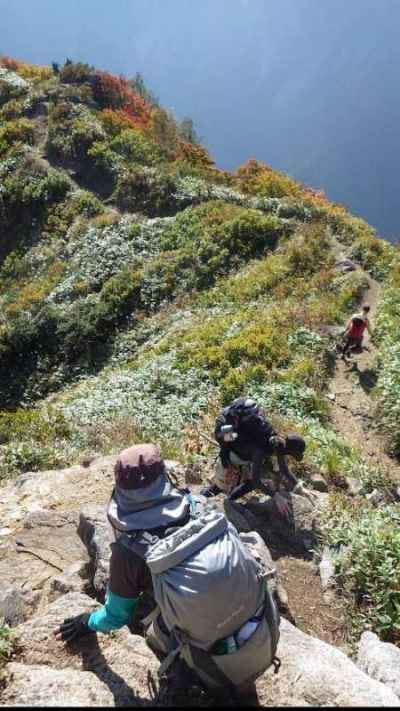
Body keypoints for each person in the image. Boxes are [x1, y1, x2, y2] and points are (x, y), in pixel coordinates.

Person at [55, 443, 280, 695]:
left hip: (209, 659)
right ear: (164, 476)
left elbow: (115, 617)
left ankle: (187, 676)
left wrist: (87, 622)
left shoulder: (129, 551)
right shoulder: (199, 506)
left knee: (153, 633)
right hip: (260, 630)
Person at [200, 397, 313, 515]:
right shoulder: (262, 450)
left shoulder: (278, 442)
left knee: (251, 482)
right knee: (221, 486)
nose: (287, 457)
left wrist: (300, 487)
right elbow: (256, 480)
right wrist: (276, 496)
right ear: (288, 450)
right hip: (232, 450)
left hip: (243, 451)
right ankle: (203, 500)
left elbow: (284, 469)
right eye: (291, 455)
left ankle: (230, 501)